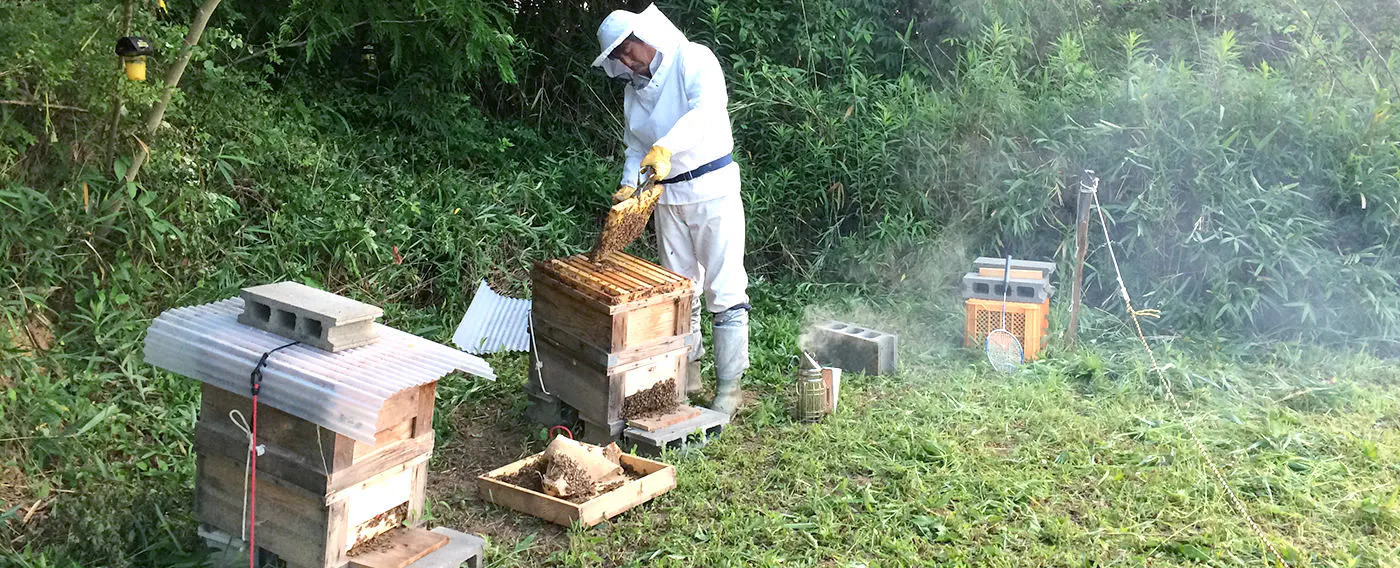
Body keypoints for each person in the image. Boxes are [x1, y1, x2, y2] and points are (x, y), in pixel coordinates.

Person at [592, 4, 749, 415]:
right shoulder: (633, 92)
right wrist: (629, 184)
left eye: (629, 50)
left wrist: (667, 146)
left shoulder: (692, 58)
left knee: (724, 288)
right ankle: (688, 374)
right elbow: (635, 146)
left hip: (712, 188)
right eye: (619, 58)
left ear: (647, 37)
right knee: (682, 290)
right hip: (667, 198)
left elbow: (706, 111)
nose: (627, 61)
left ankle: (729, 387)